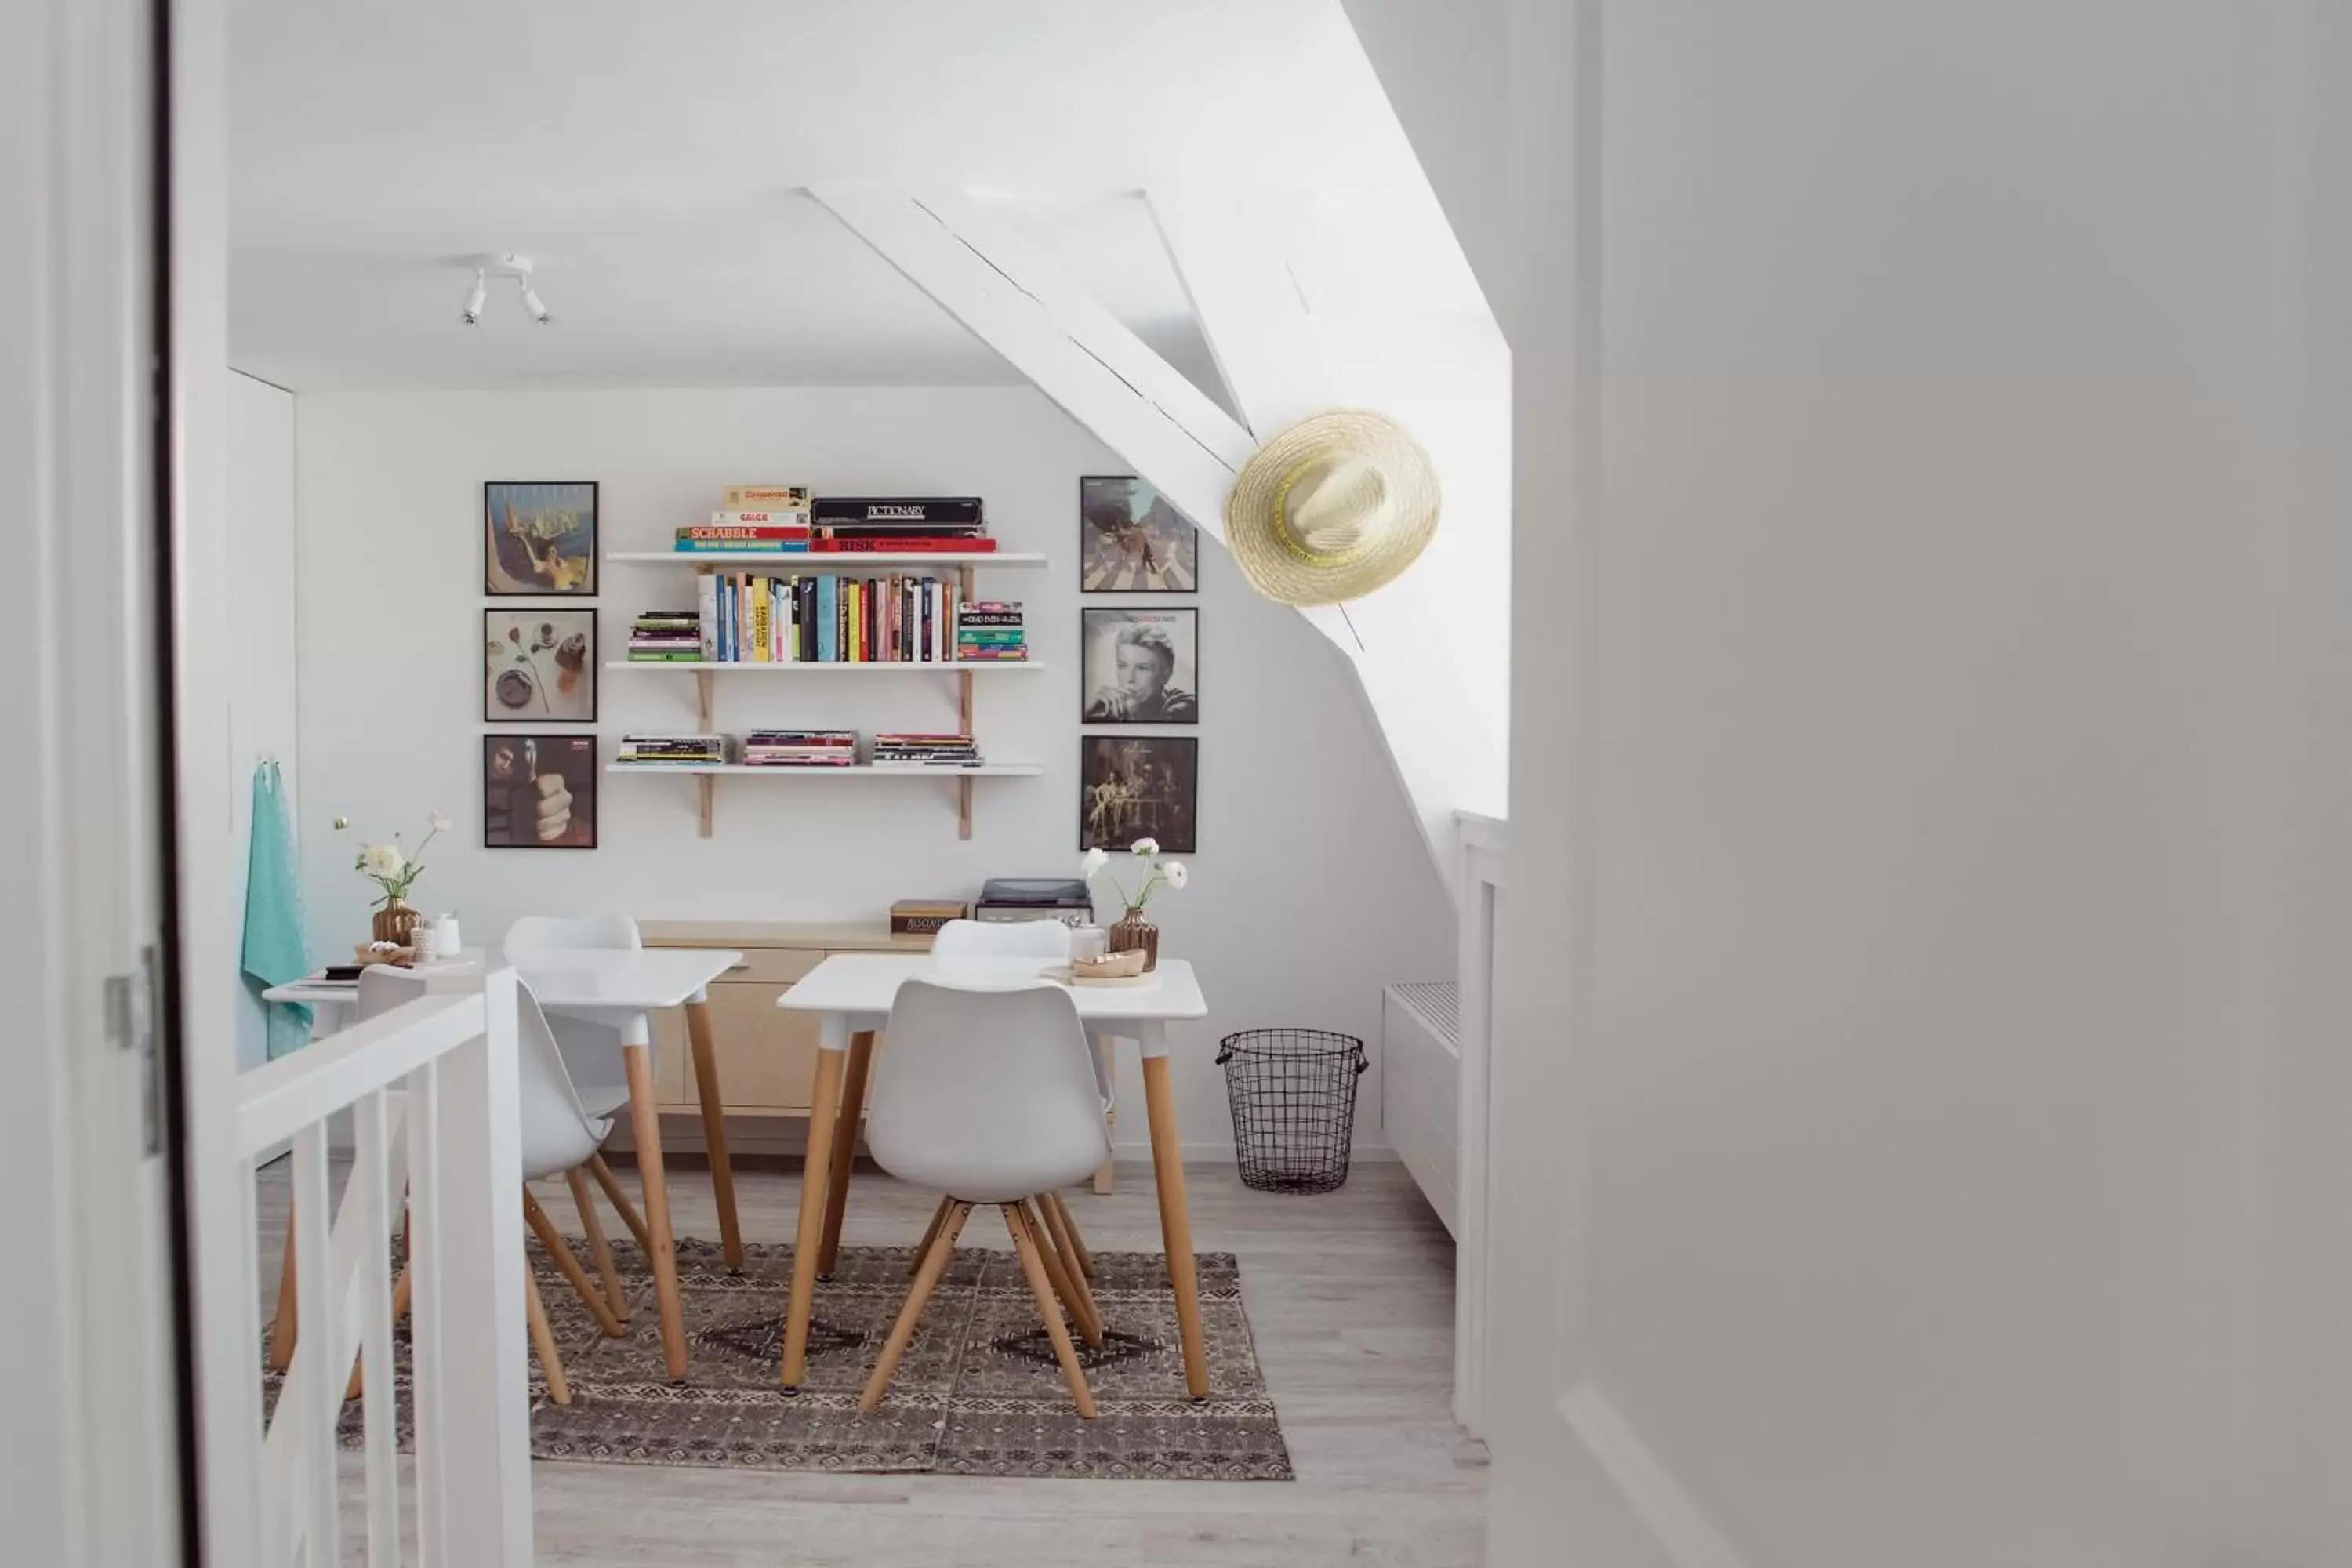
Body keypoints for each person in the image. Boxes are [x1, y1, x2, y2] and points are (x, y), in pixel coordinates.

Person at [1086, 621, 1196, 722]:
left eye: (1142, 668)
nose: (1130, 678)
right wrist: (1092, 707)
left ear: (1166, 674)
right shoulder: (1108, 707)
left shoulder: (1185, 706)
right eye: (1123, 666)